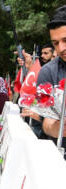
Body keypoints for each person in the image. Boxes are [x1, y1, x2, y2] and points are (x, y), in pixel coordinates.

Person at [38, 5, 66, 141]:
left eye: (65, 40)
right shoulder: (47, 72)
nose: (61, 48)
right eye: (55, 43)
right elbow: (46, 121)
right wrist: (59, 128)